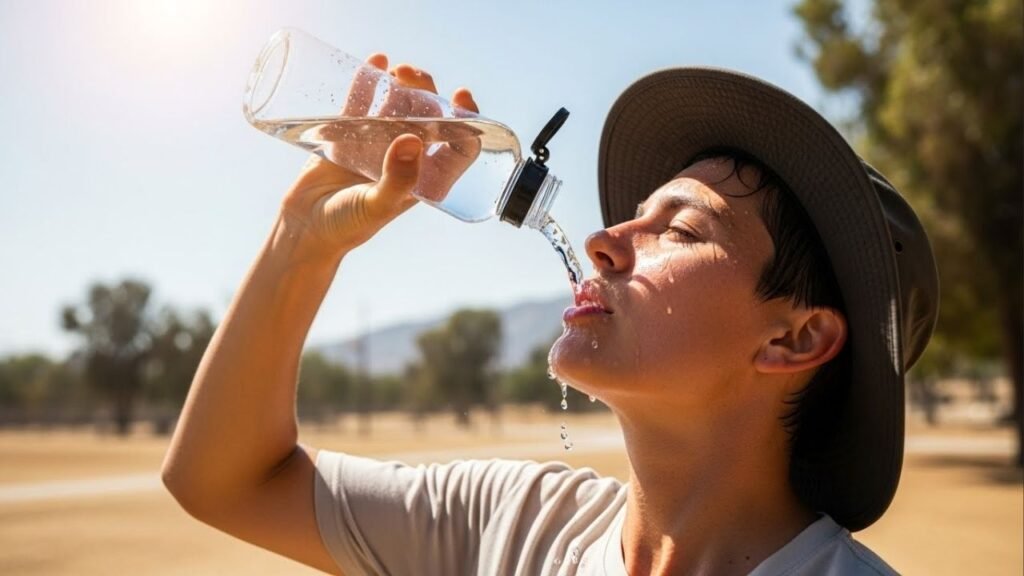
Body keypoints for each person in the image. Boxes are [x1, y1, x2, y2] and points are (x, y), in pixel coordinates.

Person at [161, 56, 939, 575]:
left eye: (680, 229)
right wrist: (301, 243)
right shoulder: (516, 524)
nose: (602, 241)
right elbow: (223, 480)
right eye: (634, 214)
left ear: (795, 338)